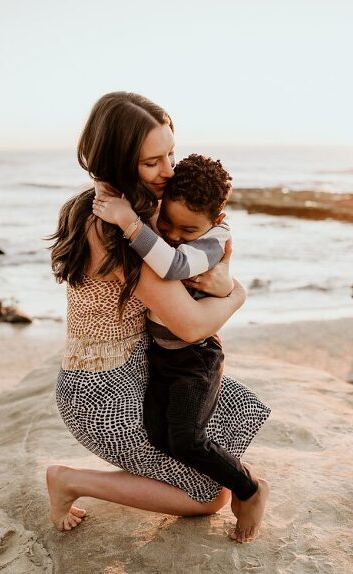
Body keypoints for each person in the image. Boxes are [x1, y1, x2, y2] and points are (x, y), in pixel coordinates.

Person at [45, 92, 271, 544]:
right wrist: (236, 294)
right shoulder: (111, 228)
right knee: (211, 498)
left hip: (146, 368)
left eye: (170, 151)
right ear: (117, 160)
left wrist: (222, 278)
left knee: (235, 415)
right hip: (102, 393)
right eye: (153, 161)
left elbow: (203, 258)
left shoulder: (140, 212)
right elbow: (189, 324)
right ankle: (70, 480)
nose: (170, 169)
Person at [93, 153, 270, 542]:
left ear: (215, 222)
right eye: (167, 222)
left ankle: (249, 488)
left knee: (185, 438)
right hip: (162, 355)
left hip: (196, 358)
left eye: (186, 229)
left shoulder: (213, 243)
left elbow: (171, 265)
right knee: (158, 434)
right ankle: (210, 473)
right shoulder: (172, 222)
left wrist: (129, 222)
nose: (172, 234)